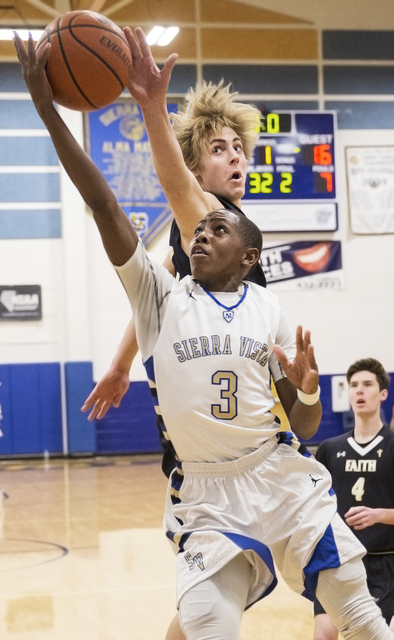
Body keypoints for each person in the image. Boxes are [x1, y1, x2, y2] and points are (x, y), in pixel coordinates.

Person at [14, 31, 394, 640]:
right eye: (221, 149)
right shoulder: (192, 238)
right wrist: (123, 109)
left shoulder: (257, 293)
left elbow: (304, 426)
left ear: (247, 254)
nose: (205, 229)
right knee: (207, 616)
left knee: (349, 611)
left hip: (272, 464)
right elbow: (117, 209)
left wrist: (309, 394)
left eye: (241, 149)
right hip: (204, 473)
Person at [81, 27, 266, 427]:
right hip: (214, 397)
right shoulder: (211, 215)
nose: (235, 155)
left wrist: (119, 364)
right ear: (196, 172)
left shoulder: (189, 243)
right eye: (218, 149)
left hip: (206, 386)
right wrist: (152, 107)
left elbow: (151, 301)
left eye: (237, 147)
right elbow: (175, 181)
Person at [312, 358, 394, 640]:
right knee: (323, 634)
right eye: (354, 385)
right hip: (337, 560)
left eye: (367, 385)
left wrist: (379, 515)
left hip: (382, 563)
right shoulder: (329, 449)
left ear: (383, 393)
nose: (359, 391)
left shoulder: (392, 446)